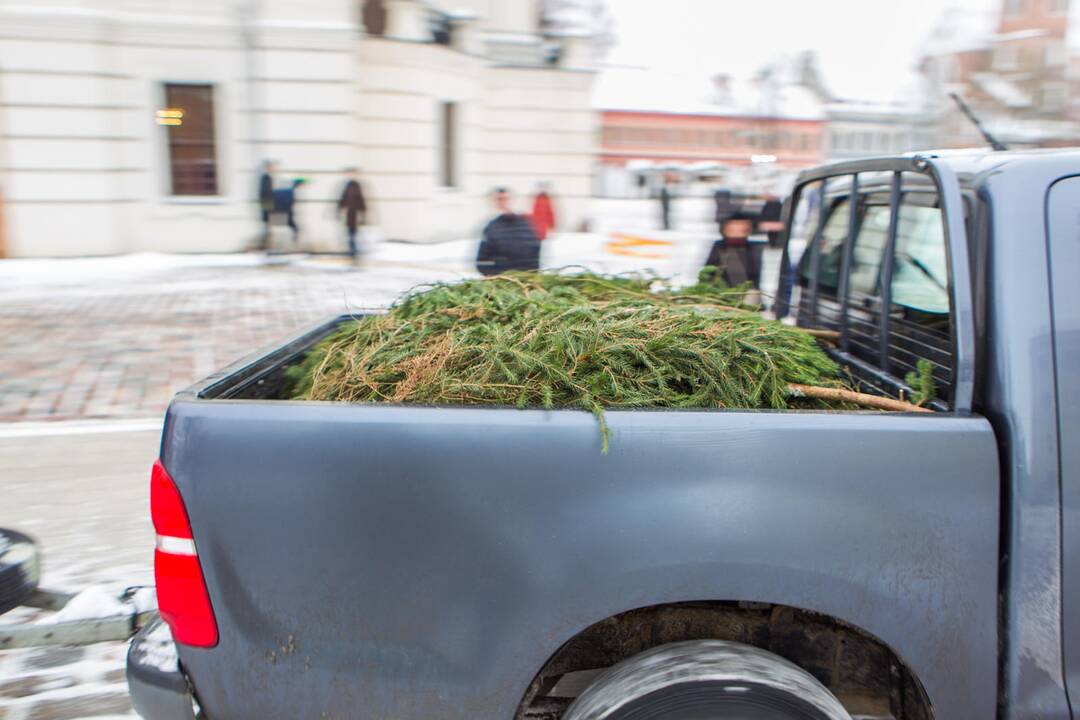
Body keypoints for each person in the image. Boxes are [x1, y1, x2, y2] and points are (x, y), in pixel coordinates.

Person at [476, 187, 541, 276]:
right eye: (499, 200)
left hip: (524, 279)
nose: (503, 203)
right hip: (502, 280)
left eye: (505, 199)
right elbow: (482, 262)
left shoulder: (526, 225)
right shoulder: (491, 228)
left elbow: (535, 254)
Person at [703, 210, 757, 288]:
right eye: (735, 227)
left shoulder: (750, 248)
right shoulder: (719, 247)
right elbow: (708, 273)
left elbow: (754, 276)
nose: (738, 230)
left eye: (743, 226)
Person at [337, 168, 367, 260]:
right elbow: (342, 199)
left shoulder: (356, 185)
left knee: (354, 233)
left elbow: (361, 200)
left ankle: (353, 250)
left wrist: (363, 214)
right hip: (349, 213)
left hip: (355, 213)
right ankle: (352, 250)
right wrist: (339, 211)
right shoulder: (347, 185)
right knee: (350, 233)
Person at [272, 178, 305, 246]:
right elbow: (289, 203)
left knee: (292, 228)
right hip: (284, 213)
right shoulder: (289, 191)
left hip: (282, 212)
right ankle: (293, 243)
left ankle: (293, 242)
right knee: (293, 229)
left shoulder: (286, 191)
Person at [258, 160, 275, 249]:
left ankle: (265, 244)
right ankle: (264, 244)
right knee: (266, 225)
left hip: (268, 204)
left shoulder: (268, 178)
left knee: (267, 225)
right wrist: (267, 206)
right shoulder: (265, 178)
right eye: (270, 167)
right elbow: (264, 193)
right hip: (266, 204)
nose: (272, 169)